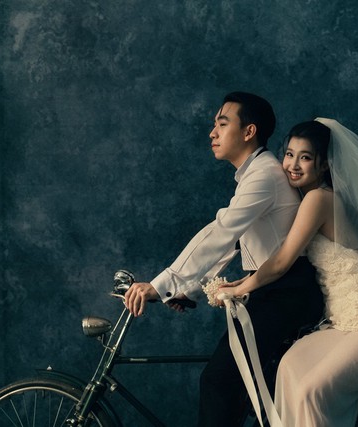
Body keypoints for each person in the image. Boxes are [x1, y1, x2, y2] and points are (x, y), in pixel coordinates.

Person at [123, 92, 324, 427]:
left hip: (285, 294)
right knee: (244, 393)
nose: (212, 133)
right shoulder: (256, 173)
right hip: (275, 289)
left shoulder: (264, 175)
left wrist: (160, 286)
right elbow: (234, 241)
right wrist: (186, 289)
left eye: (222, 123)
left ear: (248, 131)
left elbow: (222, 231)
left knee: (218, 383)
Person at [220, 118, 358, 426]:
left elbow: (282, 261)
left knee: (309, 390)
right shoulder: (307, 199)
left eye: (305, 157)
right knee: (289, 368)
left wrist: (239, 289)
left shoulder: (318, 199)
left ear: (324, 165)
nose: (293, 165)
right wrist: (243, 281)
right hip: (344, 321)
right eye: (289, 154)